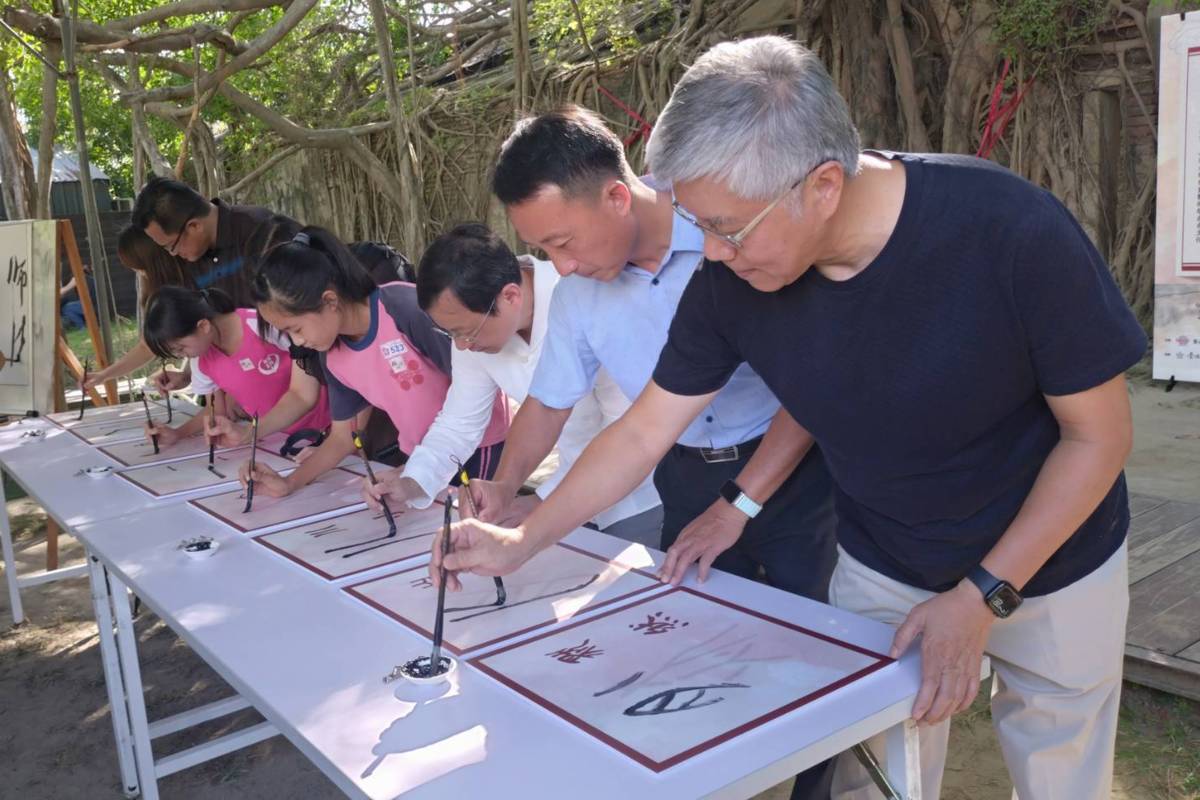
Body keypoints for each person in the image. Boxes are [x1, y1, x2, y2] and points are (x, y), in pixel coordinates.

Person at [439, 36, 1147, 800]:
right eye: (697, 224)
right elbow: (643, 431)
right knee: (870, 771)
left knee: (1059, 770)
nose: (708, 254)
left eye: (726, 227)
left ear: (823, 185)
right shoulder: (730, 282)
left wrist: (982, 596)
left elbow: (1098, 435)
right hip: (886, 562)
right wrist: (523, 539)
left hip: (1054, 562)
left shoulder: (1009, 229)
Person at [469, 105, 835, 592]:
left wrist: (739, 504)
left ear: (617, 197)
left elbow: (813, 383)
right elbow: (549, 404)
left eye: (563, 241)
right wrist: (505, 484)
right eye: (544, 250)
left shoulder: (726, 235)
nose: (563, 266)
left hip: (790, 467)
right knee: (704, 630)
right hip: (682, 475)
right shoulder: (577, 294)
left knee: (822, 632)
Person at [363, 223, 662, 543]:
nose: (461, 346)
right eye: (451, 334)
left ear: (510, 296)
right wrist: (413, 481)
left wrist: (541, 500)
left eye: (465, 332)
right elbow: (459, 422)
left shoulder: (586, 300)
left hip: (645, 491)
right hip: (569, 492)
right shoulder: (471, 329)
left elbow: (627, 428)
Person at [238, 225, 508, 497]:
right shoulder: (331, 354)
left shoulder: (403, 310)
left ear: (329, 300)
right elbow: (343, 437)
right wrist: (289, 483)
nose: (297, 343)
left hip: (477, 449)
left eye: (295, 329)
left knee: (472, 527)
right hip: (417, 460)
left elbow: (480, 380)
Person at [139, 286, 330, 452]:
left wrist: (250, 432)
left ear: (203, 326)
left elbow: (303, 391)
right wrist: (177, 434)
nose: (182, 356)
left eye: (181, 348)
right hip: (277, 435)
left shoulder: (260, 326)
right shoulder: (201, 361)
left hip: (327, 427)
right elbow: (216, 412)